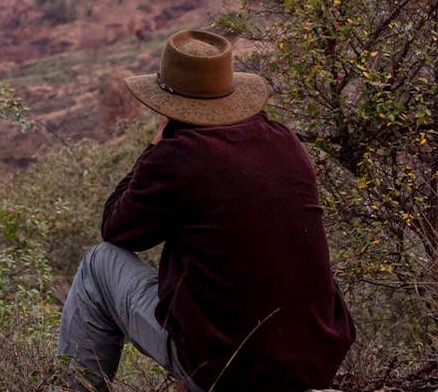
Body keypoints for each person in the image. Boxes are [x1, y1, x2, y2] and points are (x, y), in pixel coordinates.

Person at [55, 29, 355, 391]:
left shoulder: (178, 155)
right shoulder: (283, 140)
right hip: (313, 362)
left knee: (98, 264)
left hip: (225, 367)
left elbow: (117, 229)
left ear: (169, 103)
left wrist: (153, 147)